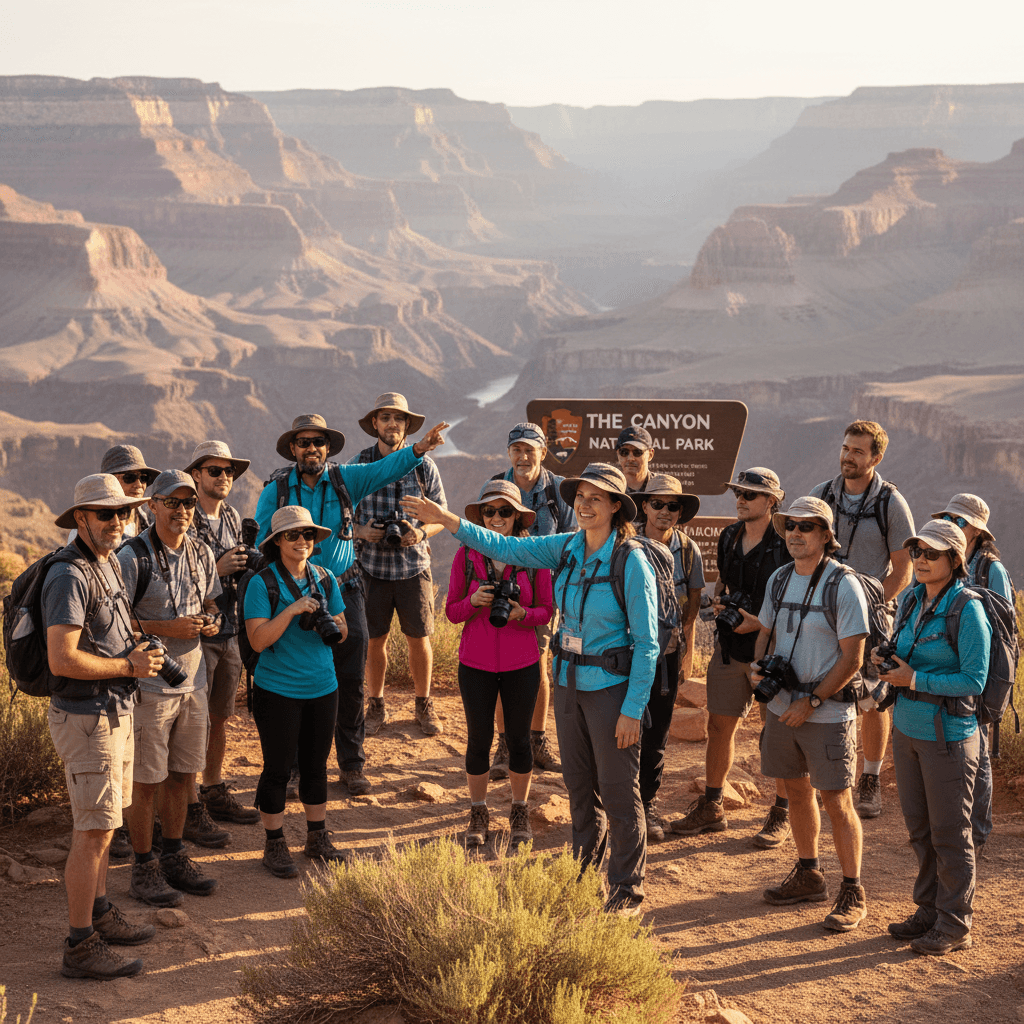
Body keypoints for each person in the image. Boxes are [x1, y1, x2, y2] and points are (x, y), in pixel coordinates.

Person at [402, 462, 658, 917]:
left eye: (596, 497)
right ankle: (582, 874)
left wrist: (633, 709)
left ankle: (626, 889)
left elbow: (648, 643)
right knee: (579, 787)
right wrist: (448, 521)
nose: (584, 503)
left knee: (618, 790)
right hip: (567, 683)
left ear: (617, 506)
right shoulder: (566, 548)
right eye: (579, 495)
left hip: (612, 690)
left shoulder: (630, 560)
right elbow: (502, 544)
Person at [254, 413, 449, 795]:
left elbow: (385, 467)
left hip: (344, 589)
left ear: (328, 448)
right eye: (304, 442)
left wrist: (420, 449)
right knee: (296, 679)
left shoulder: (346, 480)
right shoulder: (275, 492)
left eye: (318, 442)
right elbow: (263, 540)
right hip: (294, 593)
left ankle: (351, 764)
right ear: (293, 449)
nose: (312, 448)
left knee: (351, 680)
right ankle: (294, 768)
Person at [44, 475, 162, 979]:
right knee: (92, 832)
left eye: (124, 513)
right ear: (81, 520)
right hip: (87, 717)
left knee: (106, 823)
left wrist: (137, 653)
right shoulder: (69, 576)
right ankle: (79, 945)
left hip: (113, 710)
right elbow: (62, 658)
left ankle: (98, 913)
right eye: (104, 513)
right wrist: (128, 668)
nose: (117, 522)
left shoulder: (109, 562)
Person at [753, 497, 870, 933]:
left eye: (807, 527)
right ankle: (809, 873)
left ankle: (853, 889)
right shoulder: (780, 579)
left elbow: (853, 657)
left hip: (826, 713)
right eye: (790, 526)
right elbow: (766, 631)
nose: (796, 533)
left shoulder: (843, 584)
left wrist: (814, 701)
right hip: (782, 708)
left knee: (838, 801)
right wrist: (756, 669)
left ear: (826, 535)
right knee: (796, 793)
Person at [874, 520, 989, 955]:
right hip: (906, 729)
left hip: (949, 737)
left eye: (932, 553)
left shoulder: (967, 609)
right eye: (917, 550)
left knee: (950, 832)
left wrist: (914, 677)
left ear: (955, 561)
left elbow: (974, 679)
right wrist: (885, 658)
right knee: (919, 829)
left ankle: (956, 923)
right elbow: (906, 651)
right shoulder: (911, 599)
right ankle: (928, 910)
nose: (921, 559)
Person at [118, 470, 224, 907]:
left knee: (183, 774)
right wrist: (168, 627)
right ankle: (144, 867)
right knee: (146, 779)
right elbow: (112, 621)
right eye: (173, 502)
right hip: (149, 686)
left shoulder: (201, 552)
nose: (182, 510)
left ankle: (175, 854)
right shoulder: (132, 556)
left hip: (193, 680)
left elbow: (213, 600)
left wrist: (212, 619)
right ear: (152, 505)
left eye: (189, 503)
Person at [671, 468, 794, 847]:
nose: (740, 499)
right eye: (738, 492)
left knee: (778, 735)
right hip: (729, 650)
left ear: (772, 501)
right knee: (719, 728)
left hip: (774, 653)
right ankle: (713, 805)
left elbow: (796, 599)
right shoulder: (728, 536)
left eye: (750, 494)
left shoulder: (787, 541)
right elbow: (724, 581)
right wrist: (723, 602)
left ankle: (781, 811)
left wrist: (761, 623)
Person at [810, 420, 915, 820]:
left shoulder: (891, 503)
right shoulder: (824, 495)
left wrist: (873, 605)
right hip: (821, 612)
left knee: (872, 699)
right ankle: (829, 777)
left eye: (857, 451)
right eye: (845, 448)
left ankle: (869, 779)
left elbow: (904, 568)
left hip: (871, 617)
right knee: (824, 687)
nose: (847, 456)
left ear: (876, 458)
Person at [445, 480, 554, 849]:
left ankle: (519, 810)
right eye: (489, 511)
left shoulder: (532, 556)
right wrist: (473, 601)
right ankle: (478, 810)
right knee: (479, 741)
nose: (496, 518)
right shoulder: (466, 557)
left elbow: (547, 611)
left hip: (522, 662)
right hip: (475, 663)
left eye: (504, 511)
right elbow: (451, 612)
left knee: (520, 741)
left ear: (517, 518)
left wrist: (522, 614)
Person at [244, 506, 350, 877]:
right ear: (277, 542)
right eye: (293, 535)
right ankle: (274, 844)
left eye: (307, 534)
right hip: (278, 690)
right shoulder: (262, 584)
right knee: (277, 768)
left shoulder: (326, 578)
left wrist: (330, 620)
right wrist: (291, 611)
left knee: (316, 766)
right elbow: (257, 641)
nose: (302, 541)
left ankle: (317, 838)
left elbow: (344, 631)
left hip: (323, 686)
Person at [351, 394, 448, 738]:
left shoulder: (424, 465)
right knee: (373, 640)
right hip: (371, 567)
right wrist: (362, 532)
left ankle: (424, 703)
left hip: (413, 566)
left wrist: (419, 532)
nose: (392, 424)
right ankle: (375, 704)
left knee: (419, 638)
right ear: (375, 424)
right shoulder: (360, 464)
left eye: (398, 419)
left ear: (407, 426)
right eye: (386, 417)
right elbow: (340, 514)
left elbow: (441, 515)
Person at [492, 422, 576, 778]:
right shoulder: (498, 486)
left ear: (543, 452)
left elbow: (573, 542)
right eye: (517, 450)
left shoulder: (558, 492)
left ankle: (537, 741)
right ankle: (505, 744)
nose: (523, 456)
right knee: (497, 667)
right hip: (498, 589)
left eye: (530, 450)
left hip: (543, 594)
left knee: (537, 665)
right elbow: (483, 536)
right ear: (509, 453)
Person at [930, 494, 1011, 858]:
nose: (953, 524)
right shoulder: (951, 562)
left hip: (979, 672)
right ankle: (955, 830)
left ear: (978, 529)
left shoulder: (992, 569)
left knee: (977, 754)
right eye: (948, 517)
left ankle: (975, 834)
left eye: (959, 520)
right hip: (950, 669)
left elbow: (1003, 628)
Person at [185, 440, 261, 827]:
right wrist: (218, 567)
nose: (224, 477)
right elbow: (175, 576)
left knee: (219, 716)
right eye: (215, 470)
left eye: (229, 471)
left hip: (229, 628)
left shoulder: (232, 516)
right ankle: (188, 803)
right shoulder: (183, 515)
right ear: (196, 475)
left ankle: (213, 789)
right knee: (190, 721)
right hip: (194, 633)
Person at [634, 473, 703, 842]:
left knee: (657, 732)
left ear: (680, 511)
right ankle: (619, 804)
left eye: (672, 505)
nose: (664, 511)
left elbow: (694, 595)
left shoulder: (688, 549)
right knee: (620, 726)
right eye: (656, 503)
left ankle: (646, 803)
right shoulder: (624, 541)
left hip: (667, 655)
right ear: (643, 505)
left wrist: (684, 635)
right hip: (625, 653)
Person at [67, 445, 159, 544]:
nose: (138, 484)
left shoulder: (151, 522)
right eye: (129, 478)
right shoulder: (85, 530)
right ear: (110, 481)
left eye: (143, 478)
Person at [615, 426, 656, 513]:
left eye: (637, 452)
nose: (630, 458)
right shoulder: (610, 489)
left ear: (650, 454)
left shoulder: (661, 487)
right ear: (618, 454)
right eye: (624, 452)